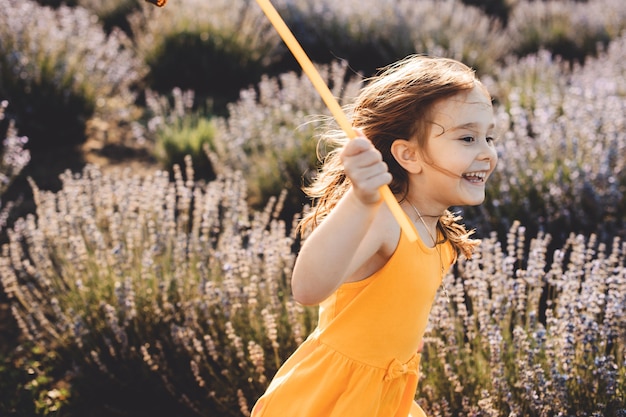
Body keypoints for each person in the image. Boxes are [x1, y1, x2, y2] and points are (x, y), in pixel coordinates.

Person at [250, 55, 498, 417]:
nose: (487, 153)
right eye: (468, 138)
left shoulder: (436, 228)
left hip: (384, 396)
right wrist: (359, 200)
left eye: (488, 137)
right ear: (408, 155)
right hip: (335, 397)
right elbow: (307, 288)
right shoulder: (384, 218)